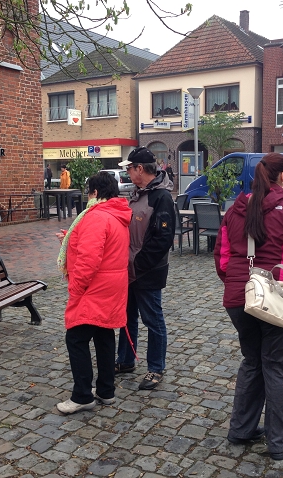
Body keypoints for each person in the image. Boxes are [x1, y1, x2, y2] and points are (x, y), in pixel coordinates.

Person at [213, 152, 283, 461]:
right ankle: (276, 442)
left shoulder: (236, 210)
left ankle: (241, 429)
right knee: (276, 366)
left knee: (252, 361)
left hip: (239, 298)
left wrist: (236, 284)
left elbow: (222, 256)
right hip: (276, 298)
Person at [55, 172, 132, 414]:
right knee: (103, 334)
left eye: (88, 192)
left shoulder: (96, 216)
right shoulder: (116, 215)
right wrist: (70, 240)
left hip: (95, 288)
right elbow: (101, 248)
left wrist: (76, 288)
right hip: (112, 286)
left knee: (76, 338)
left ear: (95, 193)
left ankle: (82, 395)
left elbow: (89, 259)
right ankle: (106, 391)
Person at [115, 146, 175, 390]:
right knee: (126, 317)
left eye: (129, 168)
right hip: (129, 269)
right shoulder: (138, 194)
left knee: (153, 320)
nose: (128, 172)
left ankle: (156, 368)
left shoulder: (161, 198)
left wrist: (138, 265)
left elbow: (162, 240)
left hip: (147, 271)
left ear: (140, 169)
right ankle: (125, 360)